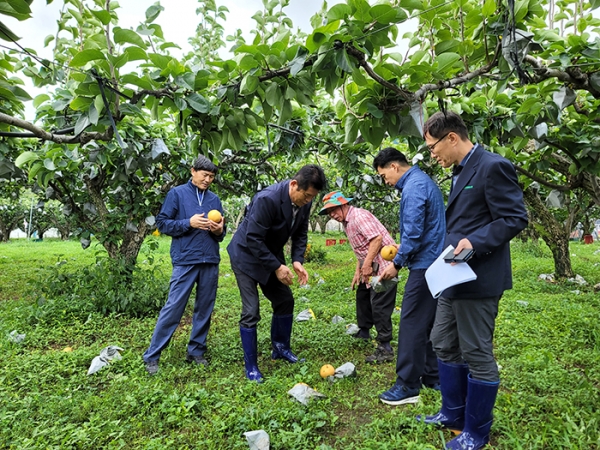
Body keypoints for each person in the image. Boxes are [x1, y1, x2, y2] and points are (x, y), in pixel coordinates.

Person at [419, 111, 527, 450]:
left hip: (478, 279)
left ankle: (476, 432)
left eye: (433, 147)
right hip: (454, 275)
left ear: (452, 137)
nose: (432, 154)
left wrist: (475, 242)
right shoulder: (459, 172)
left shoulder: (492, 166)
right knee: (442, 340)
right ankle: (453, 413)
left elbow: (514, 217)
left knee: (476, 351)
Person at [227, 165, 327, 382]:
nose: (308, 201)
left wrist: (297, 260)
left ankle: (280, 348)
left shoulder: (303, 203)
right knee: (251, 309)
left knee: (284, 300)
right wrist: (277, 267)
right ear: (294, 185)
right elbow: (253, 238)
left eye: (312, 197)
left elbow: (300, 232)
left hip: (270, 254)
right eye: (307, 195)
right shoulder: (268, 199)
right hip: (245, 256)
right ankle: (251, 365)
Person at [372, 148, 446, 405]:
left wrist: (397, 264)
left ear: (394, 166)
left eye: (383, 176)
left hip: (424, 264)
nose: (385, 181)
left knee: (412, 322)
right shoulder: (423, 181)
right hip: (434, 263)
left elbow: (413, 233)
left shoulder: (414, 186)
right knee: (425, 322)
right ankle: (432, 376)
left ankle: (407, 385)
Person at [143, 156, 226, 375]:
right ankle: (152, 356)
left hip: (210, 259)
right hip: (186, 260)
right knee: (174, 307)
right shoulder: (177, 194)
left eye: (211, 177)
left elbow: (220, 234)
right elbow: (162, 223)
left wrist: (219, 231)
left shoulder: (214, 200)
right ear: (193, 171)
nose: (208, 180)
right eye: (204, 175)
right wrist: (188, 223)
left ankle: (196, 351)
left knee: (204, 308)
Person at [318, 190, 397, 363]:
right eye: (329, 212)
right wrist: (359, 270)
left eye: (334, 210)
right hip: (369, 267)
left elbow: (376, 239)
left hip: (383, 267)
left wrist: (367, 264)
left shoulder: (358, 216)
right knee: (362, 297)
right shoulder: (347, 221)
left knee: (380, 305)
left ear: (344, 204)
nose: (332, 215)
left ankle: (385, 347)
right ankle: (364, 332)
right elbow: (361, 248)